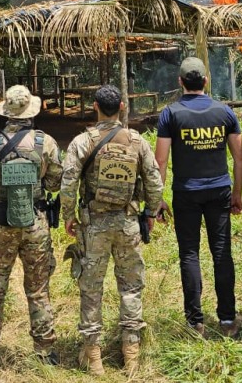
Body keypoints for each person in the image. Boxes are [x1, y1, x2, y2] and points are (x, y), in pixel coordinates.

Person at [61, 84, 163, 376]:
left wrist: (69, 215)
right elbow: (154, 181)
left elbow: (68, 182)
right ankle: (130, 352)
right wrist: (151, 212)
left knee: (91, 288)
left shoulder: (82, 142)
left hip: (93, 224)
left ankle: (93, 356)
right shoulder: (136, 141)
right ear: (121, 106)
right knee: (130, 286)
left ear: (95, 106)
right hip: (128, 223)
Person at [0, 85, 63, 382]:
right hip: (36, 225)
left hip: (1, 226)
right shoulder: (45, 143)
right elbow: (57, 182)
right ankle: (46, 351)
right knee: (38, 289)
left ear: (6, 112)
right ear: (30, 112)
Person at [154, 56, 242, 338]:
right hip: (219, 190)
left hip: (186, 192)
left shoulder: (170, 114)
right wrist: (237, 193)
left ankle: (195, 321)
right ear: (206, 81)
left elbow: (160, 161)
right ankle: (228, 318)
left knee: (190, 253)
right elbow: (240, 158)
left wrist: (157, 197)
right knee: (221, 253)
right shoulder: (224, 112)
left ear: (180, 82)